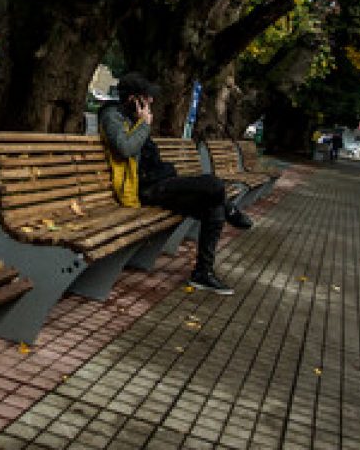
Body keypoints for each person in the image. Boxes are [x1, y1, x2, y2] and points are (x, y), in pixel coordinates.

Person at [99, 72, 252, 295]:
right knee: (214, 184)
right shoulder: (112, 116)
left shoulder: (132, 116)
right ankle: (230, 209)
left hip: (160, 181)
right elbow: (125, 148)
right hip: (145, 188)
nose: (151, 101)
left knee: (213, 207)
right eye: (146, 97)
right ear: (133, 98)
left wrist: (142, 124)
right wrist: (144, 125)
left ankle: (203, 273)